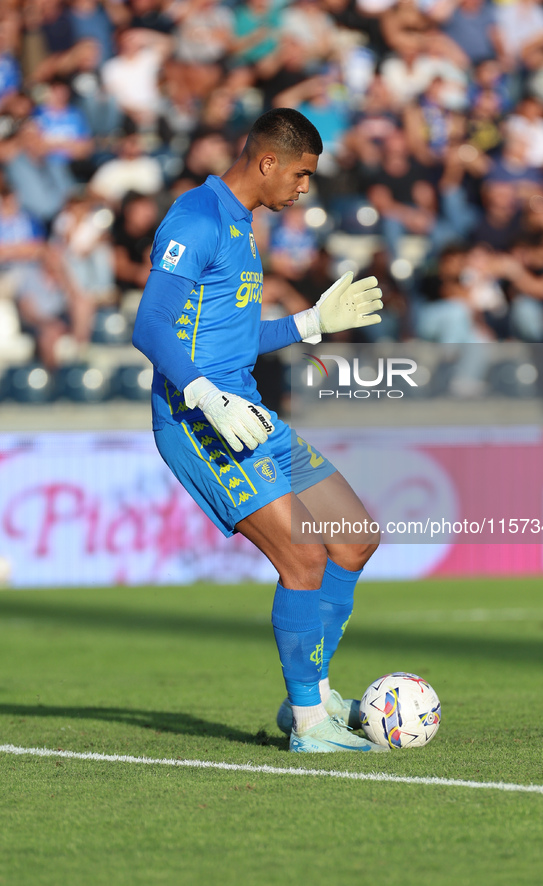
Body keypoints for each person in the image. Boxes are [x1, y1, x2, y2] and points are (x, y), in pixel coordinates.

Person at [132, 107, 386, 753]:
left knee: (353, 537)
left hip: (249, 413)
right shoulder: (196, 217)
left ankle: (314, 691)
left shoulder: (243, 226)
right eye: (300, 175)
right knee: (303, 558)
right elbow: (151, 325)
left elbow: (235, 335)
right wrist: (204, 397)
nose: (304, 189)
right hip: (201, 421)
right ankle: (308, 722)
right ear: (267, 161)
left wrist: (309, 322)